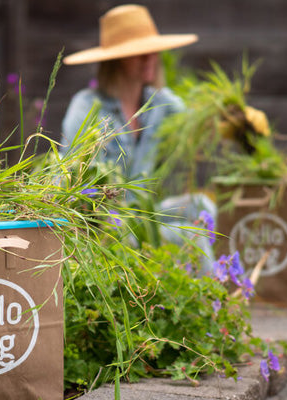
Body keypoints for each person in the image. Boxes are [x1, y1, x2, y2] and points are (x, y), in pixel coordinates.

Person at [61, 4, 216, 269]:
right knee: (194, 237)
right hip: (107, 225)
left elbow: (198, 125)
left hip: (142, 212)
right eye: (138, 53)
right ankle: (213, 305)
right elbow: (71, 178)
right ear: (116, 59)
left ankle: (171, 282)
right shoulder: (87, 108)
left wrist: (233, 119)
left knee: (202, 206)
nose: (150, 58)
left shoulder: (159, 102)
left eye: (152, 50)